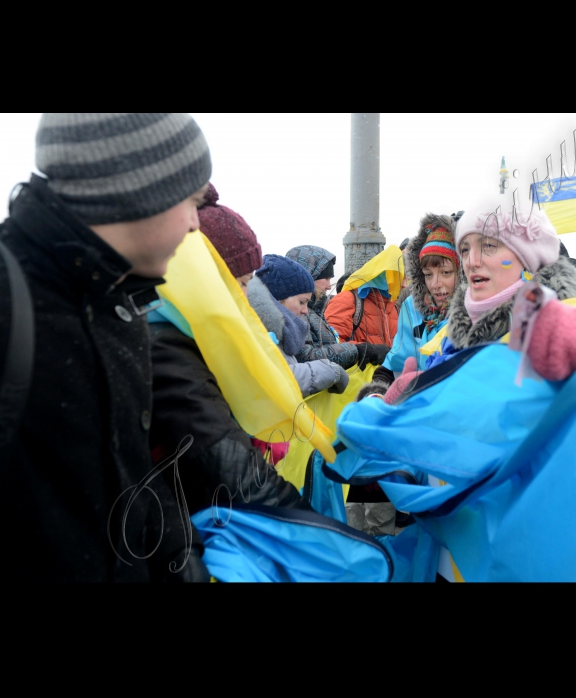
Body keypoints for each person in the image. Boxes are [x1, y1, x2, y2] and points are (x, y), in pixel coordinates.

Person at [370, 199, 576, 581]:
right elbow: (407, 370)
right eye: (463, 254)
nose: (440, 281)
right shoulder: (432, 321)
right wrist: (392, 396)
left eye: (448, 269)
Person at [0, 113, 212, 582]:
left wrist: (180, 556)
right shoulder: (11, 303)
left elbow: (127, 471)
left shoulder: (119, 302)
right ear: (141, 190)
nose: (198, 226)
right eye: (193, 202)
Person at [148, 185, 305, 518]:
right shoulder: (169, 346)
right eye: (243, 281)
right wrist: (316, 530)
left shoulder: (196, 338)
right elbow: (228, 462)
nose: (245, 296)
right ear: (204, 277)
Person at [366, 215, 460, 397]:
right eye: (428, 274)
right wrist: (376, 395)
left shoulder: (476, 310)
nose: (435, 284)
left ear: (462, 271)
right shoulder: (412, 307)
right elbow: (394, 365)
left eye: (446, 272)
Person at [248, 254, 349, 398]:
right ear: (279, 298)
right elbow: (276, 379)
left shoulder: (276, 330)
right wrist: (330, 370)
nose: (305, 310)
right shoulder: (257, 329)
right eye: (302, 302)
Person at [285, 245, 380, 371]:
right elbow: (305, 357)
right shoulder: (298, 313)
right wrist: (357, 350)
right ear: (308, 275)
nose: (329, 286)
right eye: (326, 278)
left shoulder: (316, 312)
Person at [324, 246, 401, 361]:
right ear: (384, 275)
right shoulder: (346, 299)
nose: (405, 285)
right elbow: (331, 344)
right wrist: (366, 351)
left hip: (390, 376)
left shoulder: (395, 307)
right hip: (357, 376)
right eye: (401, 278)